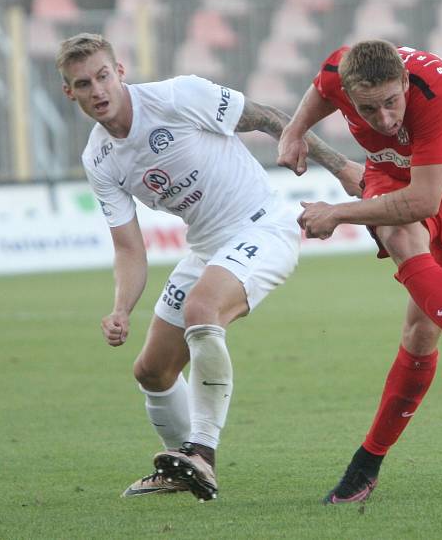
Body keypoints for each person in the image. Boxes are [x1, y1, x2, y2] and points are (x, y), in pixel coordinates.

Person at [56, 33, 362, 501]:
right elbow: (128, 249)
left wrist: (340, 167)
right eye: (83, 84)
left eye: (102, 76)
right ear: (69, 92)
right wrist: (121, 308)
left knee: (202, 309)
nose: (97, 91)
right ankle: (183, 465)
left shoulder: (177, 97)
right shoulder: (99, 159)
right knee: (152, 371)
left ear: (120, 72)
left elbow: (271, 118)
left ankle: (203, 454)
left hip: (262, 227)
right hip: (205, 249)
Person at [278, 39, 442, 505]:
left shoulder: (436, 91)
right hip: (391, 175)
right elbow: (319, 90)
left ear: (405, 83)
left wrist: (339, 213)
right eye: (369, 109)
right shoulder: (340, 70)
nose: (386, 120)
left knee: (420, 332)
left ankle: (371, 456)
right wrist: (293, 130)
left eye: (392, 102)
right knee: (399, 235)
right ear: (351, 95)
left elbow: (425, 201)